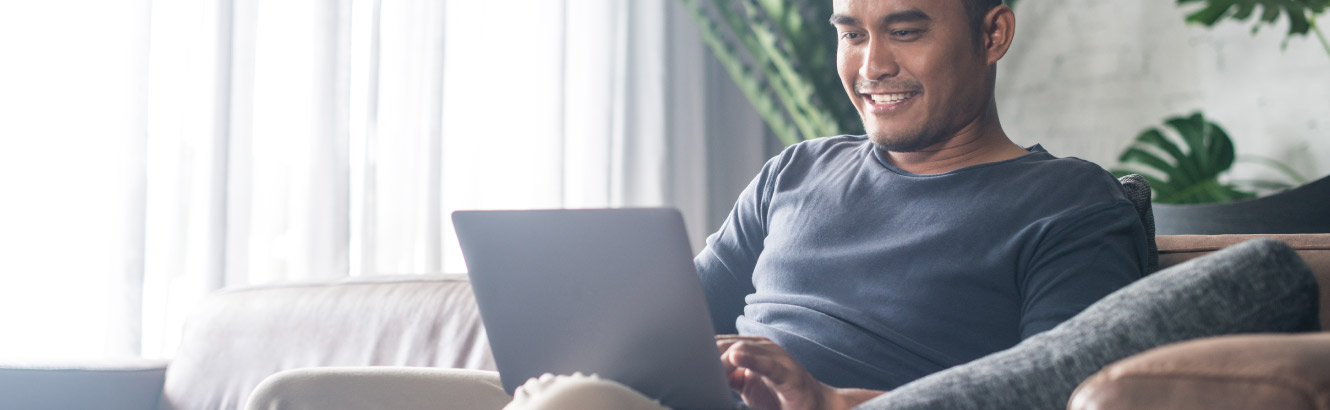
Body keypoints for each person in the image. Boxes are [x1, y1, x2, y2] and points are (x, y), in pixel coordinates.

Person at [245, 0, 1321, 409]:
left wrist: (833, 398)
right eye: (850, 29)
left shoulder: (1066, 204)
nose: (869, 63)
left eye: (905, 27)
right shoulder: (797, 170)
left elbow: (1040, 393)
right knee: (296, 391)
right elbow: (668, 321)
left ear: (992, 32)